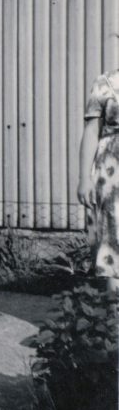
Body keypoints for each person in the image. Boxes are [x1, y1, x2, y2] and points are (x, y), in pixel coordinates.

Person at [78, 69, 119, 285]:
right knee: (112, 237)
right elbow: (91, 132)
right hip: (112, 175)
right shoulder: (105, 83)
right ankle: (114, 312)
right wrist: (84, 178)